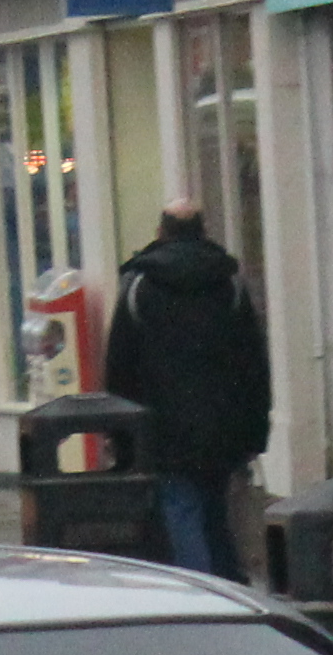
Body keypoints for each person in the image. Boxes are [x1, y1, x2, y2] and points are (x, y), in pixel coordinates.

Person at [105, 200, 272, 579]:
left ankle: (198, 588)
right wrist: (256, 430)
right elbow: (253, 364)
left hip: (161, 426)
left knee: (181, 509)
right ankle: (231, 586)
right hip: (222, 426)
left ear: (160, 231)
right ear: (203, 230)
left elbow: (120, 365)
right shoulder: (228, 283)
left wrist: (119, 434)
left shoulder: (139, 285)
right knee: (215, 509)